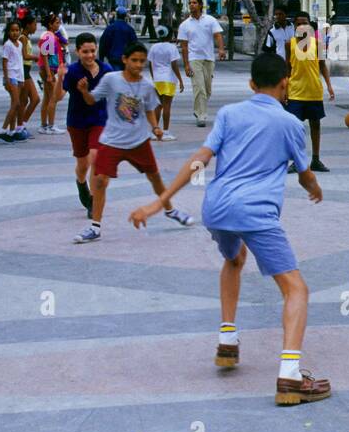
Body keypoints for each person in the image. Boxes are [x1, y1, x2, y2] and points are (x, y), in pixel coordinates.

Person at [130, 53, 331, 405]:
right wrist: (313, 188)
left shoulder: (229, 114)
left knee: (235, 258)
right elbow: (304, 172)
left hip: (216, 207)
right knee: (296, 289)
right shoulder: (290, 124)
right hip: (254, 212)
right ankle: (290, 376)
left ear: (251, 84)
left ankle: (228, 339)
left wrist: (159, 201)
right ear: (285, 83)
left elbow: (200, 159)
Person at [71, 43, 193, 243]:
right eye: (134, 60)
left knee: (155, 178)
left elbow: (150, 110)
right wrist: (84, 91)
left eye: (142, 61)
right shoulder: (111, 80)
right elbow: (92, 100)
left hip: (138, 141)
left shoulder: (146, 86)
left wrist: (155, 128)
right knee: (100, 181)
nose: (138, 65)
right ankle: (95, 227)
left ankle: (170, 211)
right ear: (125, 60)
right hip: (112, 141)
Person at [63, 32, 112, 217]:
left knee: (95, 157)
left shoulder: (106, 69)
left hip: (99, 118)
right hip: (77, 121)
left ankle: (93, 200)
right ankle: (80, 182)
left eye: (92, 51)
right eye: (85, 52)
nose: (90, 55)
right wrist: (59, 77)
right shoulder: (73, 71)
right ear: (77, 52)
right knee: (83, 164)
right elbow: (59, 96)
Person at [285, 11, 334, 172]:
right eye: (298, 23)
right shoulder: (289, 44)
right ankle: (296, 160)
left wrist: (329, 85)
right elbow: (287, 67)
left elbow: (322, 65)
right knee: (294, 128)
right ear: (294, 26)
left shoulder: (317, 44)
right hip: (295, 91)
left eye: (304, 23)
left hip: (314, 90)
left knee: (315, 125)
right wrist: (284, 89)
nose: (301, 26)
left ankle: (316, 159)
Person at [177, 0, 225, 127]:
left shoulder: (210, 20)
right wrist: (186, 65)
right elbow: (184, 46)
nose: (192, 5)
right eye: (190, 3)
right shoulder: (184, 25)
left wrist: (221, 50)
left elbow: (218, 36)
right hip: (194, 59)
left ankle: (198, 109)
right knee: (199, 88)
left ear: (200, 5)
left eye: (194, 3)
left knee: (208, 90)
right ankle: (201, 115)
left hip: (209, 58)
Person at [148, 25, 184, 141]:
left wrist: (154, 77)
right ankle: (166, 132)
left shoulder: (153, 47)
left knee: (158, 106)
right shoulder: (172, 48)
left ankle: (155, 131)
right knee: (167, 106)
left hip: (157, 79)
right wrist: (180, 80)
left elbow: (150, 64)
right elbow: (174, 65)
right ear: (169, 35)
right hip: (168, 79)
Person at [0, 20, 26, 143]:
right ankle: (3, 130)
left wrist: (22, 79)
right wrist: (6, 78)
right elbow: (4, 62)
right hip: (11, 76)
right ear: (8, 32)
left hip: (19, 77)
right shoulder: (7, 45)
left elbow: (20, 62)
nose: (15, 33)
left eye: (17, 30)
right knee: (15, 103)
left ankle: (11, 131)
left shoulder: (19, 44)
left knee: (16, 104)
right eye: (12, 30)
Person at [36, 13, 64, 134]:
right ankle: (51, 126)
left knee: (47, 98)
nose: (59, 24)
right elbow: (45, 55)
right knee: (53, 97)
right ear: (50, 24)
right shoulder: (49, 37)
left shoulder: (50, 36)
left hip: (48, 70)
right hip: (48, 70)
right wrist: (48, 74)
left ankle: (44, 125)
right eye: (56, 22)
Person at [17, 14, 40, 137]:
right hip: (23, 71)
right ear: (28, 25)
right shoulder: (23, 38)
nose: (36, 27)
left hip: (26, 70)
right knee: (26, 100)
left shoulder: (26, 38)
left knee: (29, 100)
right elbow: (24, 55)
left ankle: (21, 125)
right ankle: (20, 127)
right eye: (34, 24)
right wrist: (36, 57)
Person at [98, 4, 137, 69]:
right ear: (125, 16)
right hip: (126, 57)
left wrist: (101, 58)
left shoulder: (110, 28)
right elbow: (134, 44)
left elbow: (103, 43)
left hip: (113, 57)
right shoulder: (129, 29)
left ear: (116, 15)